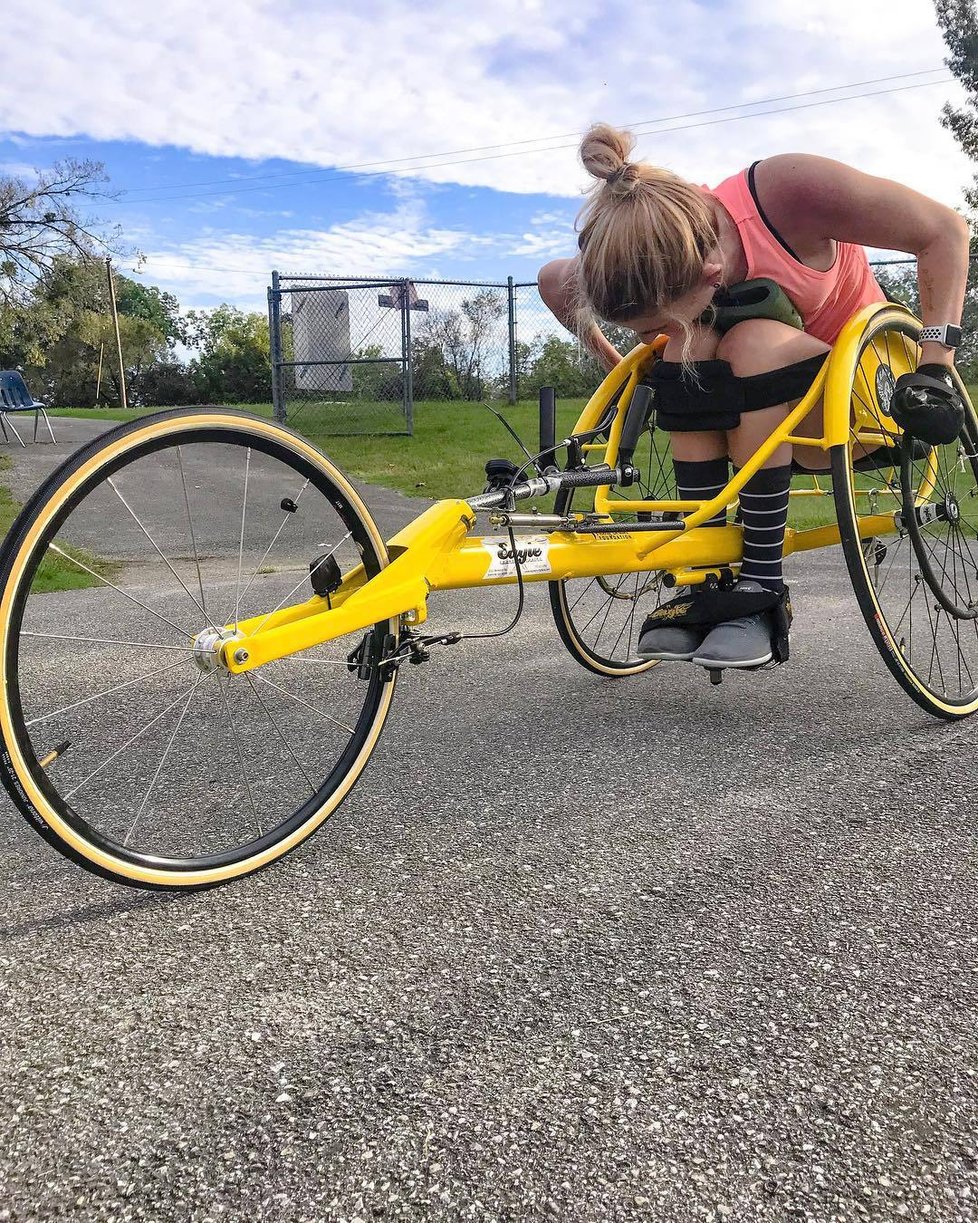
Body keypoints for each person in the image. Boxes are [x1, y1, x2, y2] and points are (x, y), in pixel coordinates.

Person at [538, 123, 971, 670]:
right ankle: (704, 578)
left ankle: (762, 589)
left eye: (663, 318)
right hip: (758, 410)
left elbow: (945, 232)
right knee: (682, 353)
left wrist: (935, 371)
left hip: (866, 401)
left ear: (711, 272)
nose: (651, 335)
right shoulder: (648, 231)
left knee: (747, 341)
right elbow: (555, 278)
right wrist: (635, 370)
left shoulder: (788, 193)